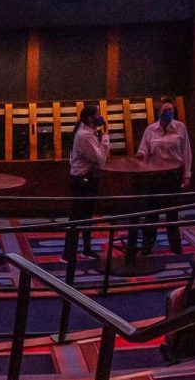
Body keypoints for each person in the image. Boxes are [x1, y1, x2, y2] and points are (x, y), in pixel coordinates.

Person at [134, 101, 192, 255]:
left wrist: (187, 175)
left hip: (172, 175)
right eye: (165, 110)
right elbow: (143, 149)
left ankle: (176, 247)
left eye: (171, 110)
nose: (168, 113)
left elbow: (186, 152)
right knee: (151, 212)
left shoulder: (180, 127)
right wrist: (141, 155)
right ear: (159, 112)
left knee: (172, 213)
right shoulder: (150, 130)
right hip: (154, 176)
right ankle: (147, 246)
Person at [67, 105, 109, 268]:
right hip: (82, 181)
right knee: (78, 217)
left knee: (85, 217)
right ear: (90, 118)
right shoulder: (85, 135)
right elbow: (100, 159)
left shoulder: (88, 133)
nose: (100, 117)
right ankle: (68, 253)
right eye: (98, 114)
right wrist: (105, 140)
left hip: (86, 179)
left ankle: (86, 249)